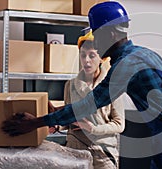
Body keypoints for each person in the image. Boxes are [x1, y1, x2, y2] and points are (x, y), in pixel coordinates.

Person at [1, 1, 162, 169]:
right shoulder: (142, 53)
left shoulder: (128, 65)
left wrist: (34, 123)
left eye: (96, 35)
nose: (94, 41)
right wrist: (58, 112)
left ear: (111, 34)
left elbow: (90, 104)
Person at [49, 31, 124, 169]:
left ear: (102, 58)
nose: (86, 60)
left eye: (92, 55)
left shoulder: (113, 86)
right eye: (83, 55)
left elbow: (119, 124)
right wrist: (57, 125)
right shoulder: (70, 85)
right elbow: (68, 118)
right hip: (74, 151)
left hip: (103, 154)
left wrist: (93, 128)